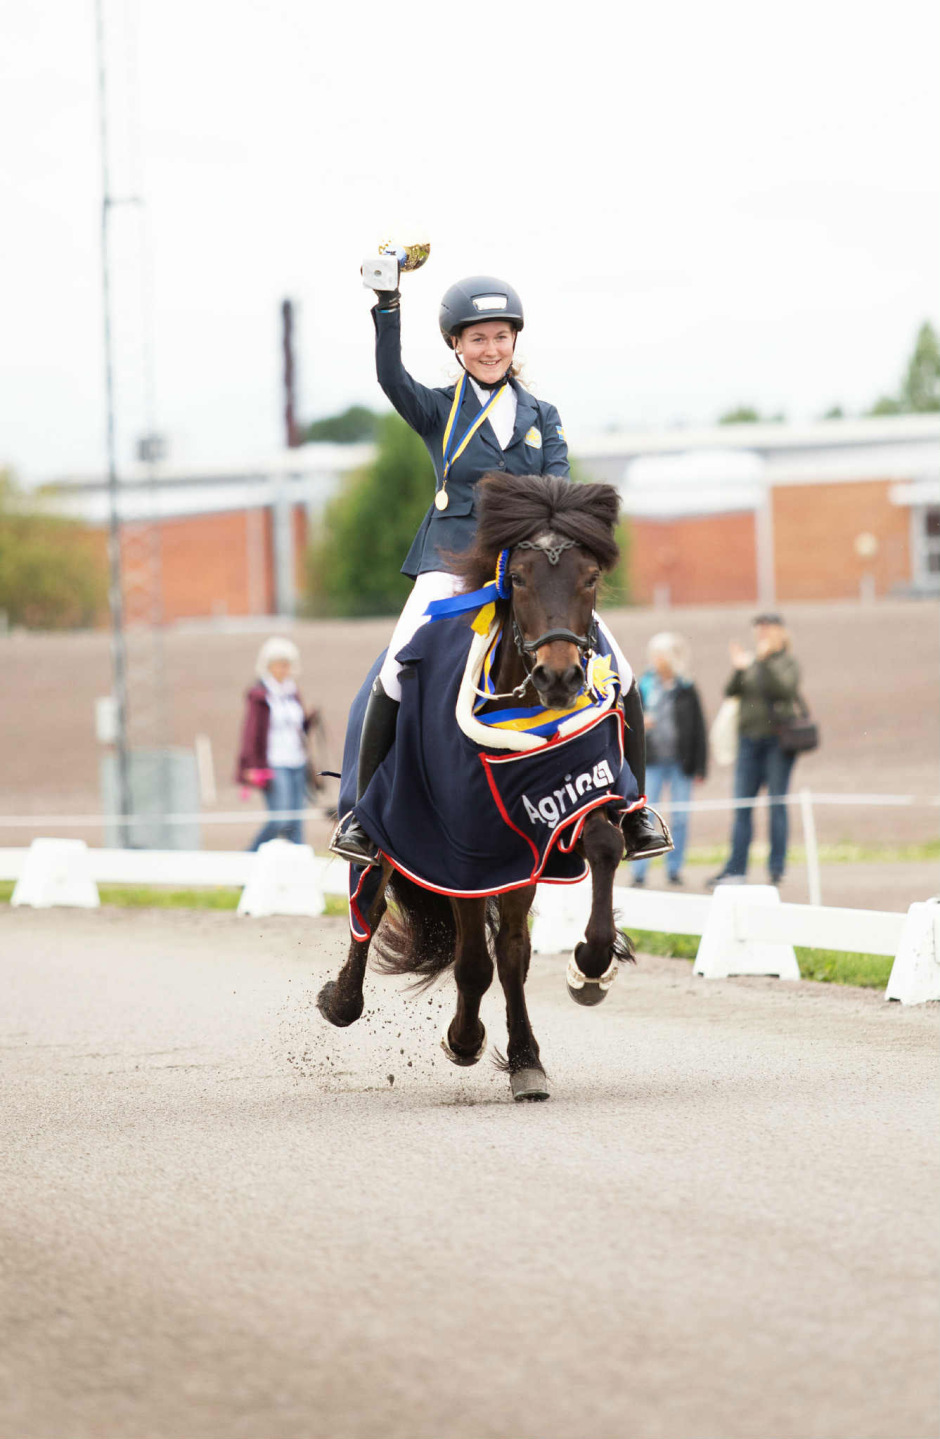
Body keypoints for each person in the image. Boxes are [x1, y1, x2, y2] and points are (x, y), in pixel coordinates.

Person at [330, 270, 669, 868]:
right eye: (478, 338)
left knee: (621, 672)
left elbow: (559, 488)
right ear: (456, 345)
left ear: (515, 341)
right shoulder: (439, 409)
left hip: (529, 568)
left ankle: (634, 809)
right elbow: (390, 378)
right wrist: (388, 305)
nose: (491, 349)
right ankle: (360, 814)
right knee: (394, 669)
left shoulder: (543, 414)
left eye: (500, 337)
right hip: (450, 561)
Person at [706, 613, 801, 888]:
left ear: (780, 632)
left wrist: (762, 662)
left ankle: (776, 868)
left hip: (777, 743)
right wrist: (739, 669)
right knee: (742, 806)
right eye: (759, 629)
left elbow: (783, 690)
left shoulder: (787, 663)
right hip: (748, 742)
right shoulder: (751, 662)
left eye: (767, 629)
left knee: (776, 804)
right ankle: (736, 869)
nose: (762, 634)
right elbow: (731, 691)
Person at [631, 632, 707, 887]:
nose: (656, 659)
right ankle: (640, 871)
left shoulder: (686, 688)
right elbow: (629, 721)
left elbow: (699, 728)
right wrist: (641, 724)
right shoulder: (643, 686)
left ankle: (675, 869)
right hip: (651, 763)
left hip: (680, 764)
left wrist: (699, 766)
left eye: (661, 655)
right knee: (645, 817)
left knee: (680, 818)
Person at [237, 637, 318, 851]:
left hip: (297, 761)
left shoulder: (293, 693)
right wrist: (250, 765)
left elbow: (297, 727)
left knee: (296, 822)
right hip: (274, 762)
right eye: (279, 664)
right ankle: (247, 857)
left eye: (287, 664)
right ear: (268, 666)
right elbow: (251, 732)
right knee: (280, 820)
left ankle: (299, 864)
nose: (283, 669)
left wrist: (309, 721)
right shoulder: (260, 696)